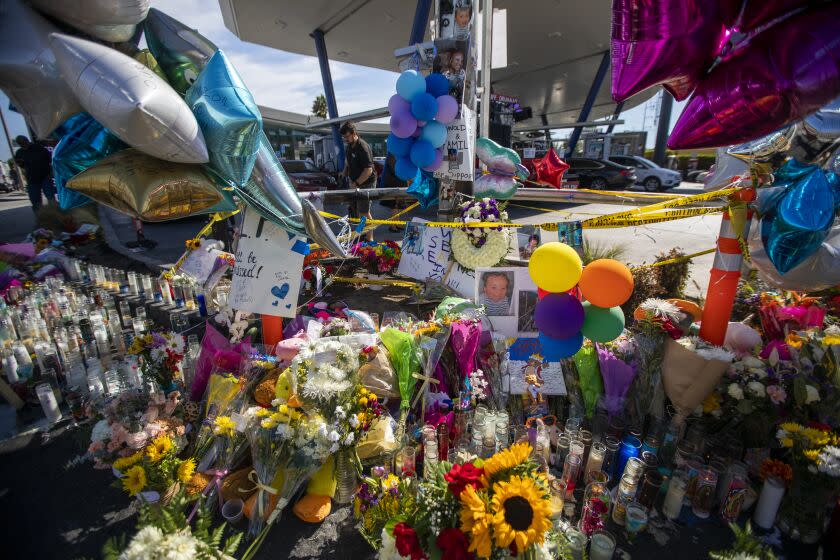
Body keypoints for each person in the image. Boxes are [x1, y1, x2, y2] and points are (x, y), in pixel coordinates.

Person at [339, 121, 377, 241]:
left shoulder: (363, 147)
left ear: (354, 133)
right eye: (343, 137)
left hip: (366, 182)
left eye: (347, 136)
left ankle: (369, 238)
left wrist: (357, 183)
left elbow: (368, 170)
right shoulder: (349, 146)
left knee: (364, 212)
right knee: (356, 211)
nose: (345, 139)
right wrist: (344, 172)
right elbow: (347, 162)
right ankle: (361, 234)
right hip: (355, 182)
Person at [14, 135, 55, 212]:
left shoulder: (38, 148)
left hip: (44, 176)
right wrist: (20, 163)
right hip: (32, 179)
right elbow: (21, 165)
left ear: (27, 141)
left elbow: (49, 159)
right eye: (20, 144)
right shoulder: (19, 152)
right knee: (35, 202)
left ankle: (58, 216)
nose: (23, 145)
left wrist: (49, 172)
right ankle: (41, 219)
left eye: (23, 142)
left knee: (51, 198)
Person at [381, 153, 407, 232]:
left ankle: (397, 224)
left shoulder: (396, 153)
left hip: (398, 181)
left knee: (397, 205)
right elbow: (394, 168)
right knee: (394, 206)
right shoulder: (392, 154)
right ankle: (392, 226)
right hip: (393, 182)